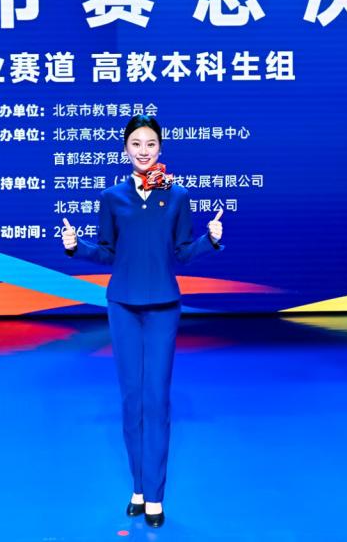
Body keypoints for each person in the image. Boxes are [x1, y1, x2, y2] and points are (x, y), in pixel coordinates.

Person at [61, 114, 224, 528]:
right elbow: (106, 252)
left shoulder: (178, 196)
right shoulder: (111, 197)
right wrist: (76, 246)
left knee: (156, 399)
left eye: (151, 143)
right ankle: (137, 487)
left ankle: (156, 495)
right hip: (123, 306)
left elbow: (183, 252)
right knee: (131, 399)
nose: (144, 150)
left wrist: (211, 240)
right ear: (125, 149)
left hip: (163, 307)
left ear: (161, 148)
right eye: (136, 143)